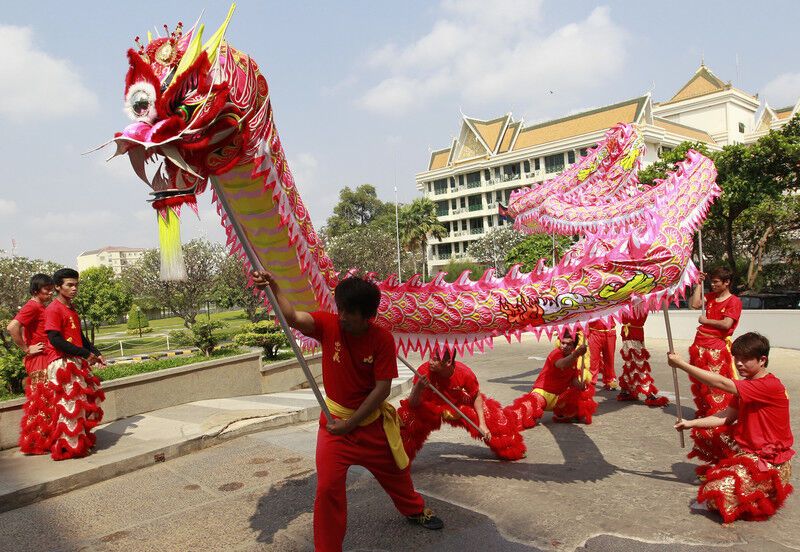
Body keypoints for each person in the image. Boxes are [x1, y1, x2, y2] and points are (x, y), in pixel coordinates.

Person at [252, 272, 443, 552]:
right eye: (340, 309)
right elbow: (293, 318)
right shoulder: (329, 325)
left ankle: (414, 509)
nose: (342, 317)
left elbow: (382, 390)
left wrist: (352, 423)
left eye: (350, 313)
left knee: (397, 473)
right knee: (328, 489)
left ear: (368, 316)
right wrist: (275, 287)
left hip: (369, 424)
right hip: (334, 426)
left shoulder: (382, 339)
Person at [668, 333, 793, 523]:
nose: (739, 364)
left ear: (762, 360)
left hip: (769, 460)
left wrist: (682, 364)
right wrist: (690, 424)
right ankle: (739, 475)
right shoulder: (748, 385)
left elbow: (721, 383)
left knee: (715, 494)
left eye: (745, 359)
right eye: (736, 359)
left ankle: (762, 487)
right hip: (747, 450)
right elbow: (726, 417)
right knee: (707, 433)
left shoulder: (768, 385)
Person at [398, 348, 525, 462]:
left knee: (490, 414)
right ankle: (397, 461)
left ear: (448, 363)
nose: (430, 362)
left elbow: (476, 397)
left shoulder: (465, 373)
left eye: (435, 359)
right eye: (430, 357)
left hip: (456, 404)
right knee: (405, 420)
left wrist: (483, 424)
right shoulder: (423, 371)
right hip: (429, 405)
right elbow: (413, 403)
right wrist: (418, 388)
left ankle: (510, 450)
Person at [44, 268, 106, 460]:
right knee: (69, 407)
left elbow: (79, 337)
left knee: (80, 407)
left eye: (76, 285)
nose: (74, 288)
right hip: (63, 363)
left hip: (75, 360)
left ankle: (79, 442)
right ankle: (70, 448)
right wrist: (84, 353)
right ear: (57, 287)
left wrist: (95, 352)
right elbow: (55, 340)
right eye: (69, 285)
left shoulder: (71, 309)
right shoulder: (53, 309)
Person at [687, 267, 743, 463]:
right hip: (700, 349)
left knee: (716, 395)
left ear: (727, 282)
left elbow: (727, 324)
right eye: (712, 282)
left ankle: (724, 446)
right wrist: (698, 284)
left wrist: (706, 321)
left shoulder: (733, 301)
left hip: (715, 351)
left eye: (716, 282)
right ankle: (709, 444)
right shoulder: (710, 297)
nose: (713, 284)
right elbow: (694, 304)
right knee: (704, 394)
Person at [6, 274, 55, 454]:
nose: (50, 292)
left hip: (44, 356)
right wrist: (27, 349)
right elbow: (12, 327)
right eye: (46, 289)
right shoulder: (32, 306)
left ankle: (45, 439)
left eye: (51, 288)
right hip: (38, 359)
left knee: (46, 400)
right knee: (41, 400)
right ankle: (37, 442)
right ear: (36, 291)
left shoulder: (40, 306)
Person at [507, 330, 596, 428]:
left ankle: (565, 414)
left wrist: (581, 385)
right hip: (542, 394)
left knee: (579, 394)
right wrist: (576, 354)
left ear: (574, 347)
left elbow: (573, 380)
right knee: (521, 414)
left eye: (569, 344)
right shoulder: (556, 353)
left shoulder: (574, 360)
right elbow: (561, 364)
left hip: (559, 398)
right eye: (563, 343)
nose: (565, 346)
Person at [615, 311, 669, 407]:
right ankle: (648, 393)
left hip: (635, 331)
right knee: (637, 362)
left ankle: (627, 389)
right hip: (630, 332)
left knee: (632, 361)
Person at [587, 319, 618, 390]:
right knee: (593, 360)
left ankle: (610, 380)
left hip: (610, 332)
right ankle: (591, 383)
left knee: (609, 358)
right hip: (594, 332)